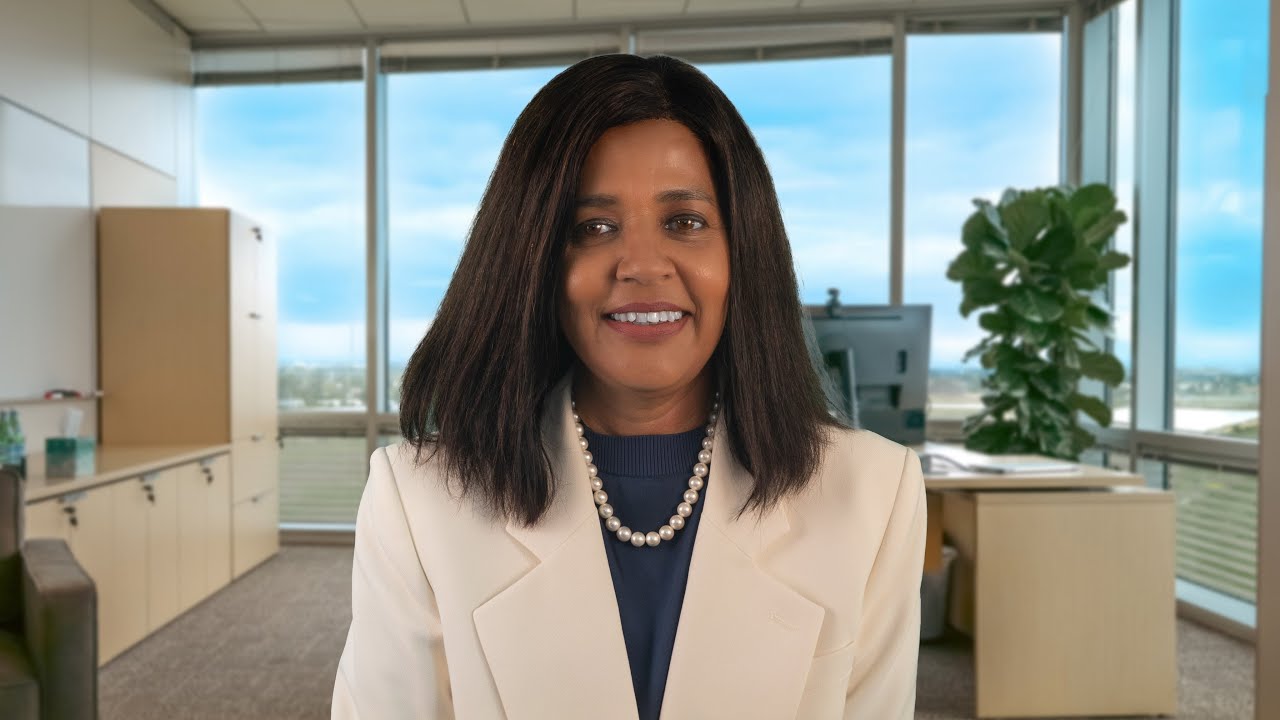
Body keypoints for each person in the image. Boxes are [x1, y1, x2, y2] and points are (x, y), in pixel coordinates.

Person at [332, 53, 926, 720]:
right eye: (593, 228)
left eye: (685, 222)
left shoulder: (875, 492)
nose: (643, 266)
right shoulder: (417, 503)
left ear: (743, 252)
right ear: (532, 261)